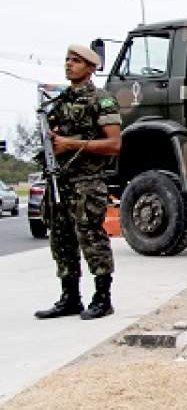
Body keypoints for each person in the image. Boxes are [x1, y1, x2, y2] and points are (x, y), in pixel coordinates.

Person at [36, 44, 123, 321]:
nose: (68, 65)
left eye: (76, 61)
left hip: (88, 181)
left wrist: (71, 144)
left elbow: (114, 144)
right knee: (61, 239)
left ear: (91, 68)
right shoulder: (59, 102)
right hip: (60, 179)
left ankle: (102, 298)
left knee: (91, 237)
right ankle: (70, 297)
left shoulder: (102, 99)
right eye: (67, 60)